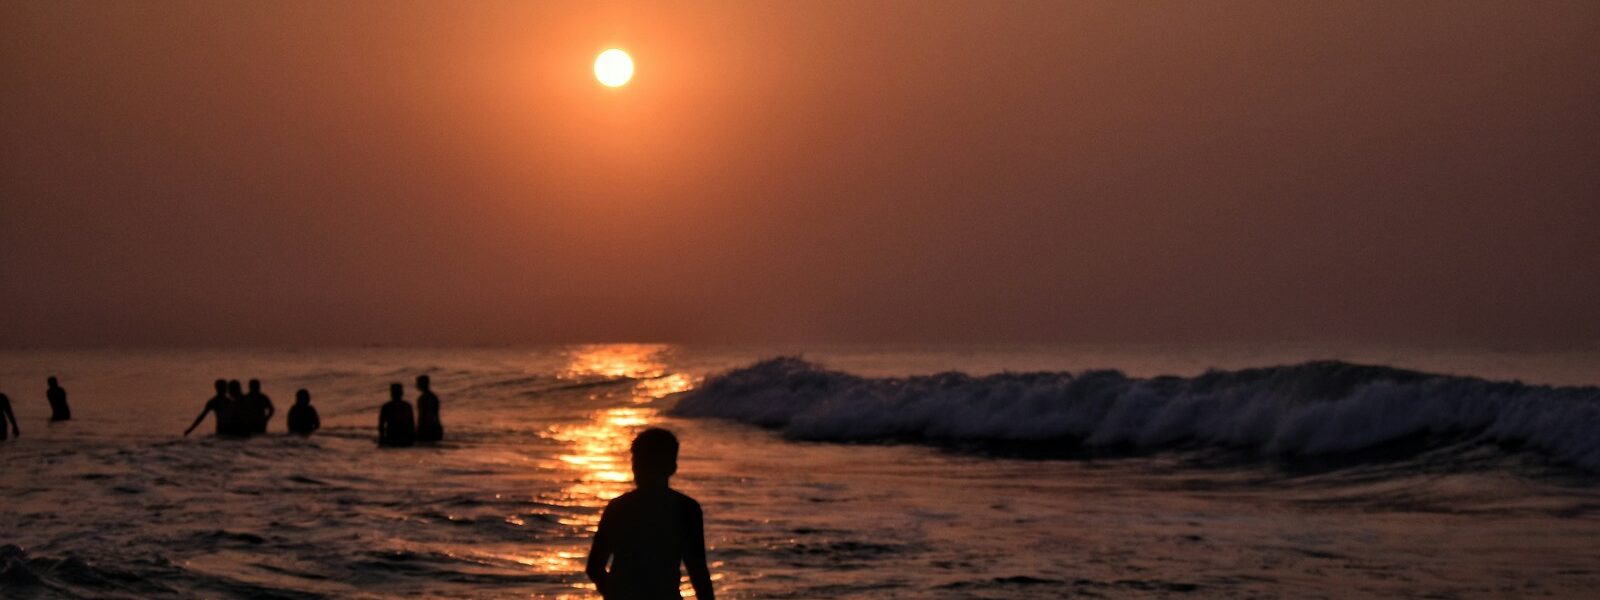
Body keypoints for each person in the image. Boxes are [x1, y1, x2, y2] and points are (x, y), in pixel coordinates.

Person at [586, 428, 714, 600]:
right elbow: (698, 573)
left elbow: (594, 567)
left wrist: (614, 592)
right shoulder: (686, 508)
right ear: (672, 467)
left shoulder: (619, 507)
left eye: (638, 461)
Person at [378, 383, 414, 447]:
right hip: (405, 437)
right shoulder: (407, 406)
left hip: (392, 437)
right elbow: (411, 424)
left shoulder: (386, 406)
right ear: (402, 393)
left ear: (391, 393)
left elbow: (381, 424)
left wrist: (382, 438)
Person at [415, 375, 443, 443]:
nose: (416, 385)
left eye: (418, 383)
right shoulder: (433, 397)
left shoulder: (422, 398)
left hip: (427, 429)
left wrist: (418, 430)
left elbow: (422, 416)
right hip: (436, 427)